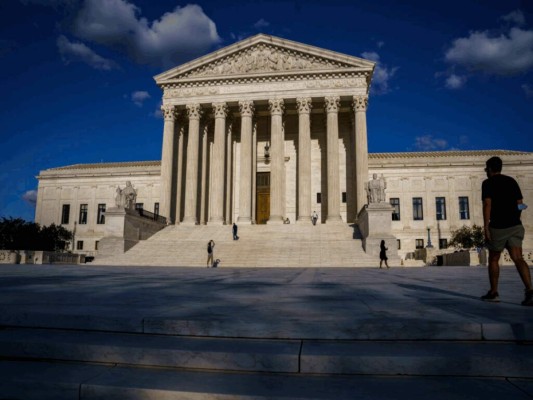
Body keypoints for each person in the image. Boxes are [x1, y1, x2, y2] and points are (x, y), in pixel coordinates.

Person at [481, 156, 532, 306]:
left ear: (490, 169)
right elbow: (521, 204)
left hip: (498, 227)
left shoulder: (488, 183)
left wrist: (486, 227)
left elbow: (487, 205)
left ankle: (494, 292)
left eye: (486, 169)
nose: (486, 171)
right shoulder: (512, 181)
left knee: (494, 259)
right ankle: (530, 290)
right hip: (516, 225)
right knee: (518, 258)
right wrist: (515, 217)